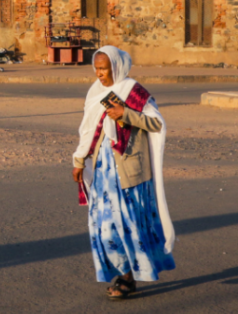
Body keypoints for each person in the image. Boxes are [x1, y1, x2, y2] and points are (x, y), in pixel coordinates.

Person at [72, 45, 175, 300]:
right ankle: (124, 271)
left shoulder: (135, 92)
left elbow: (157, 123)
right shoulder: (96, 92)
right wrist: (79, 160)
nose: (99, 74)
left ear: (115, 67)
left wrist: (125, 114)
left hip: (129, 173)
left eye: (104, 68)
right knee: (105, 229)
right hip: (103, 172)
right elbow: (89, 131)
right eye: (96, 68)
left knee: (129, 226)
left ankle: (128, 278)